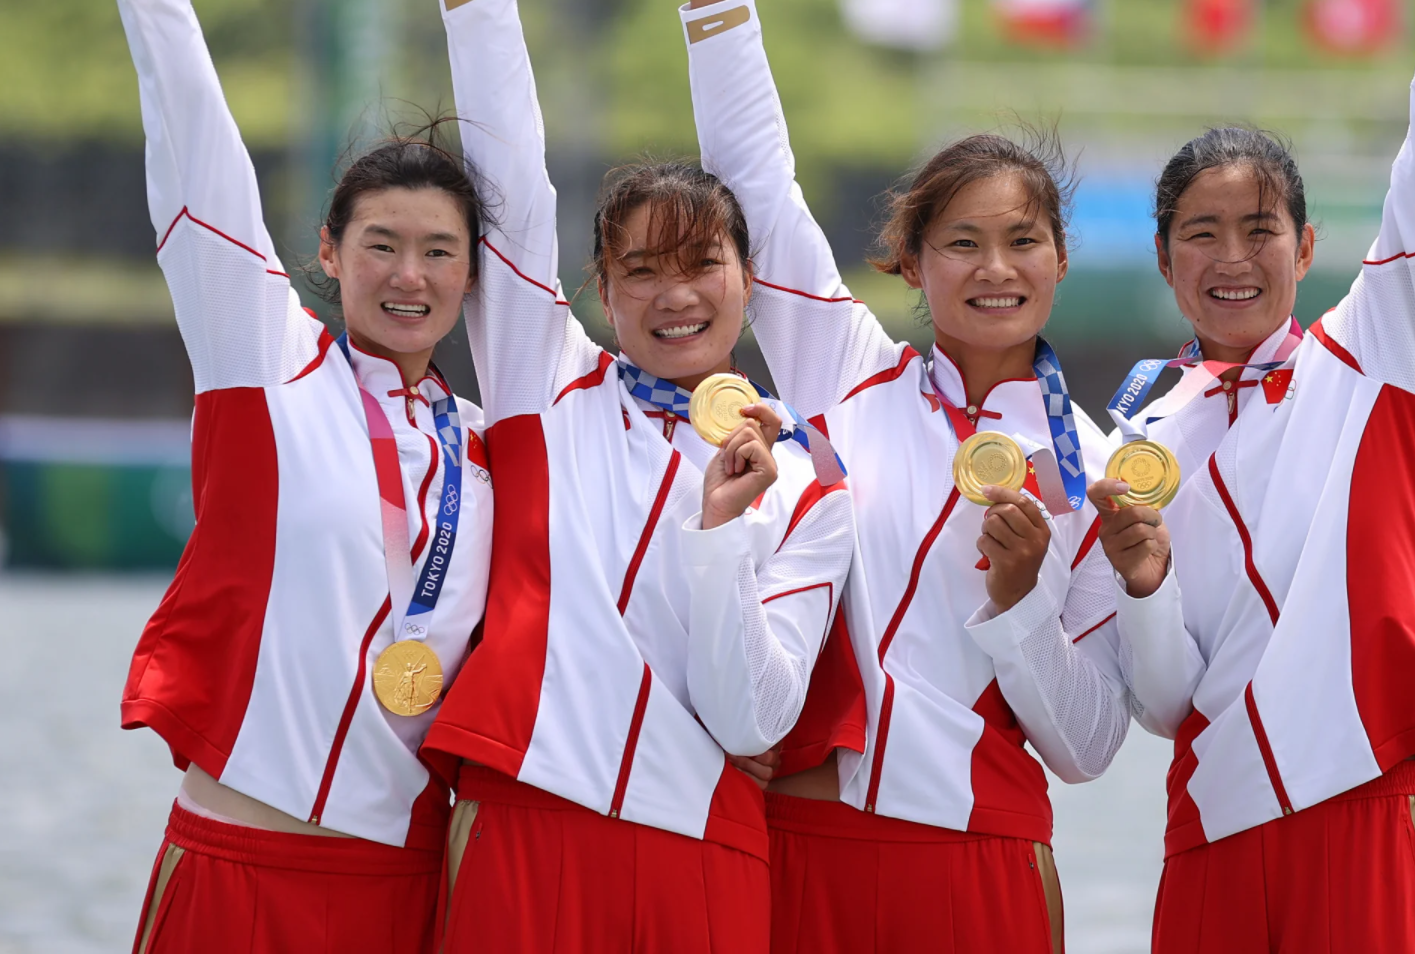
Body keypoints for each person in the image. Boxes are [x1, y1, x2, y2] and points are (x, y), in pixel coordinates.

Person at [681, 2, 1150, 951]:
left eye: (1023, 242)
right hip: (804, 846)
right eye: (962, 245)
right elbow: (757, 181)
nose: (996, 269)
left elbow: (1090, 744)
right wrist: (714, 14)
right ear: (910, 264)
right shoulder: (843, 366)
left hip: (982, 863)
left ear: (1061, 258)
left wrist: (1019, 607)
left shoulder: (1101, 474)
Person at [417, 1, 855, 952]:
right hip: (530, 816)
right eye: (642, 269)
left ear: (749, 278)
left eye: (704, 262)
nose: (676, 294)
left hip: (704, 854)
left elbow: (751, 724)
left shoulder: (811, 489)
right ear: (602, 291)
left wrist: (723, 536)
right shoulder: (546, 380)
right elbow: (508, 180)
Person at [1096, 0, 1415, 949]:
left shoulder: (1386, 346)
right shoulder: (1138, 445)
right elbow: (1160, 704)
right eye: (1201, 233)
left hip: (1368, 798)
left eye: (1260, 229)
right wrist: (1144, 585)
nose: (1232, 258)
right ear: (1163, 258)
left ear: (1308, 248)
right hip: (1211, 838)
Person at [116, 1, 495, 951]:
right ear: (329, 253)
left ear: (471, 276)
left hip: (400, 890)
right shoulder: (265, 363)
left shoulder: (494, 455)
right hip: (239, 868)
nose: (410, 275)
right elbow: (198, 147)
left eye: (439, 251)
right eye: (381, 244)